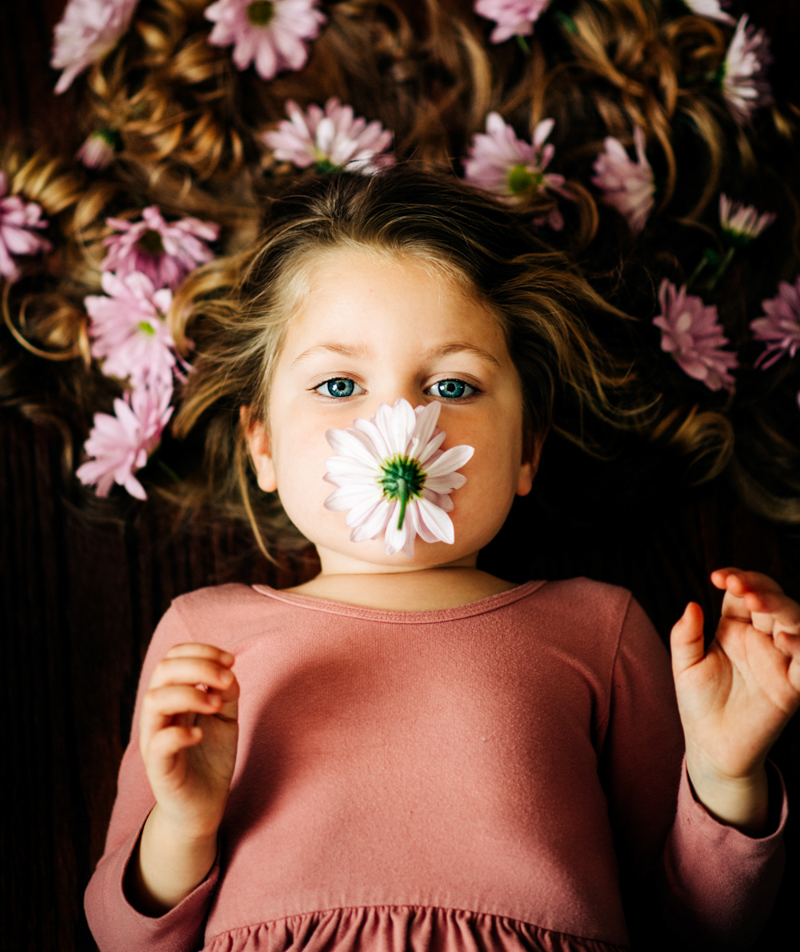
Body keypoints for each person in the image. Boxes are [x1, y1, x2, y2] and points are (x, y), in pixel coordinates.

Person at [84, 167, 799, 952]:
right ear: (263, 445)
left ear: (527, 449)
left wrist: (728, 775)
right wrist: (182, 825)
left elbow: (693, 927)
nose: (400, 422)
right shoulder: (204, 635)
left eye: (454, 384)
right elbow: (121, 938)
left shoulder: (600, 628)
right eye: (338, 383)